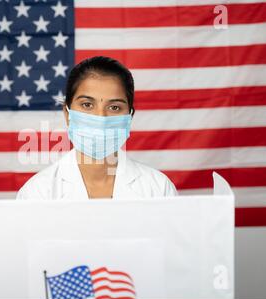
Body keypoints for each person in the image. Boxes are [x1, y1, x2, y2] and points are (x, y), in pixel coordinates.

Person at [16, 56, 177, 200]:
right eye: (87, 105)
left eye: (114, 107)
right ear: (67, 113)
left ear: (129, 117)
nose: (101, 118)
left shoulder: (158, 190)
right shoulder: (38, 194)